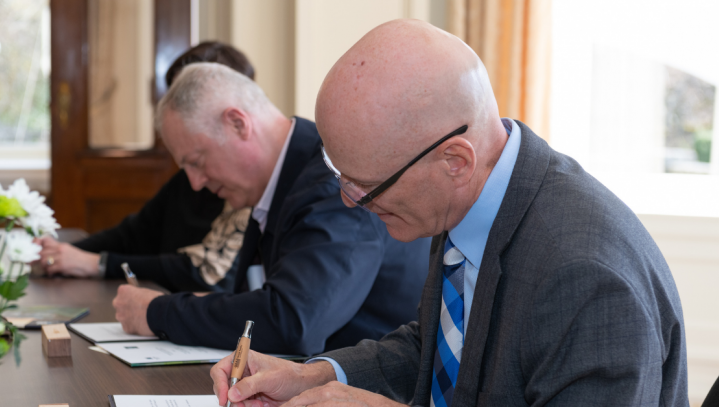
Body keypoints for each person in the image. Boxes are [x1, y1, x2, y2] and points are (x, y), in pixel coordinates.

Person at [210, 19, 688, 406]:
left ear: (454, 161)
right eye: (341, 175)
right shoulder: (471, 195)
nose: (348, 201)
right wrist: (313, 375)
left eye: (368, 186)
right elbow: (441, 349)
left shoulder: (586, 278)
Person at [111, 62, 431, 355]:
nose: (195, 183)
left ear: (238, 124)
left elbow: (293, 322)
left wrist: (159, 312)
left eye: (196, 162)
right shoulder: (283, 180)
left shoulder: (332, 180)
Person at [35, 41, 255, 293]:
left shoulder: (248, 186)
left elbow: (203, 271)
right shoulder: (187, 180)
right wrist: (66, 252)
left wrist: (97, 264)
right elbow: (134, 234)